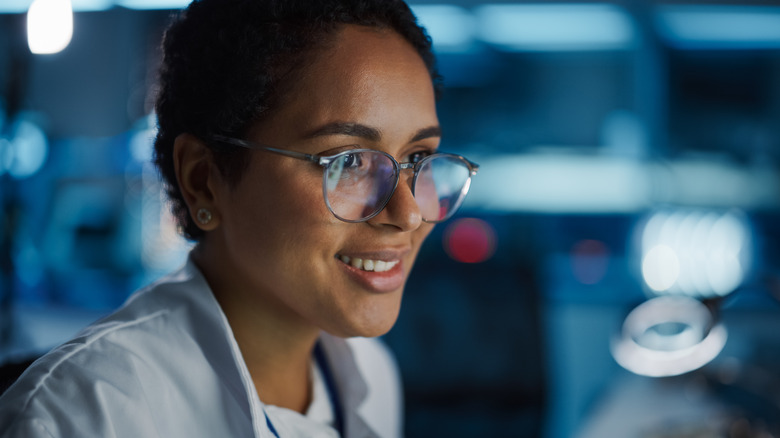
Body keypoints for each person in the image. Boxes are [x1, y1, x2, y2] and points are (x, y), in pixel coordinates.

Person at [0, 0, 478, 436]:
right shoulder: (82, 416)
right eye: (349, 162)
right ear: (204, 180)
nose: (409, 212)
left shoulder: (369, 376)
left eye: (418, 157)